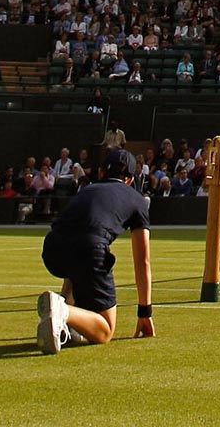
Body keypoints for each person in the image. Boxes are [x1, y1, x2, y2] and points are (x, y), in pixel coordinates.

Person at [34, 146, 154, 354]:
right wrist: (145, 312)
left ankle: (63, 319)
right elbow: (142, 261)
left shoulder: (87, 190)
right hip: (89, 249)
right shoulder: (138, 201)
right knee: (105, 331)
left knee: (77, 257)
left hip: (52, 249)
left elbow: (73, 234)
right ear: (130, 180)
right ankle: (63, 311)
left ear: (101, 173)